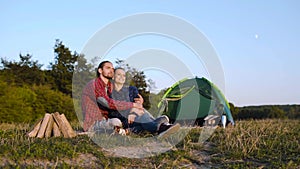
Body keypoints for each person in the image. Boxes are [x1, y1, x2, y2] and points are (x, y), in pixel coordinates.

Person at [81, 61, 180, 138]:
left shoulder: (109, 87)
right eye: (108, 68)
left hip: (110, 119)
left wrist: (137, 105)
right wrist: (133, 106)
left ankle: (159, 127)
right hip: (94, 122)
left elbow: (134, 102)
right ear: (100, 70)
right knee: (117, 122)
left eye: (112, 68)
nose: (111, 70)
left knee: (138, 114)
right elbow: (107, 103)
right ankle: (159, 124)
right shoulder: (95, 84)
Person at [111, 67, 180, 137]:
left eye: (124, 75)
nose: (122, 77)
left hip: (137, 115)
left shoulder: (131, 89)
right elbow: (114, 110)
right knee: (143, 120)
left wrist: (133, 112)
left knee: (141, 115)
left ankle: (160, 128)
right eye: (119, 74)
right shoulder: (110, 94)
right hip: (126, 120)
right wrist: (131, 111)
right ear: (113, 77)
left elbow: (139, 104)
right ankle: (162, 124)